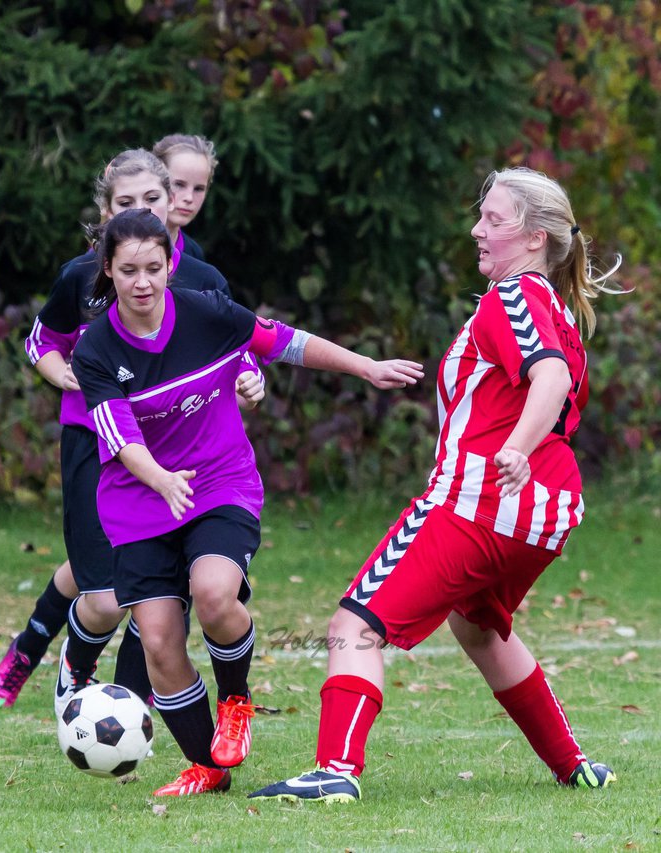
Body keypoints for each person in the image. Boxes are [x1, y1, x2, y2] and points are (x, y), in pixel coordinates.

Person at [248, 167, 622, 804]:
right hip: (545, 510)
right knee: (479, 629)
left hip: (481, 500)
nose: (477, 229)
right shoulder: (554, 305)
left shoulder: (515, 297)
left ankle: (335, 771)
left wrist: (512, 449)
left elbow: (551, 380)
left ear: (535, 239)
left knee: (354, 624)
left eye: (494, 219)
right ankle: (574, 765)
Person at [72, 208, 421, 796]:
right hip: (140, 502)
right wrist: (158, 477)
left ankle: (236, 698)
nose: (142, 283)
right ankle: (209, 767)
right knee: (157, 639)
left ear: (169, 264)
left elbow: (283, 342)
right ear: (107, 269)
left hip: (218, 483)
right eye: (128, 270)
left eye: (153, 268)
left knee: (213, 594)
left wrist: (367, 366)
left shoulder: (205, 312)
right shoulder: (96, 350)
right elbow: (120, 436)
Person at [0, 148, 249, 711]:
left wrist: (249, 377)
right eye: (125, 202)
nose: (143, 210)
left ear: (171, 202)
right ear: (104, 211)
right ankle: (56, 658)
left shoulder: (197, 276)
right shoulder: (82, 277)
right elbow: (42, 342)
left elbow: (234, 341)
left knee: (159, 585)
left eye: (152, 199)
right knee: (103, 594)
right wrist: (67, 377)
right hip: (98, 440)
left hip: (176, 446)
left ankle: (131, 703)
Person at [152, 134, 217, 263]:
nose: (189, 198)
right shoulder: (119, 243)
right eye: (178, 184)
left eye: (199, 189)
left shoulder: (194, 254)